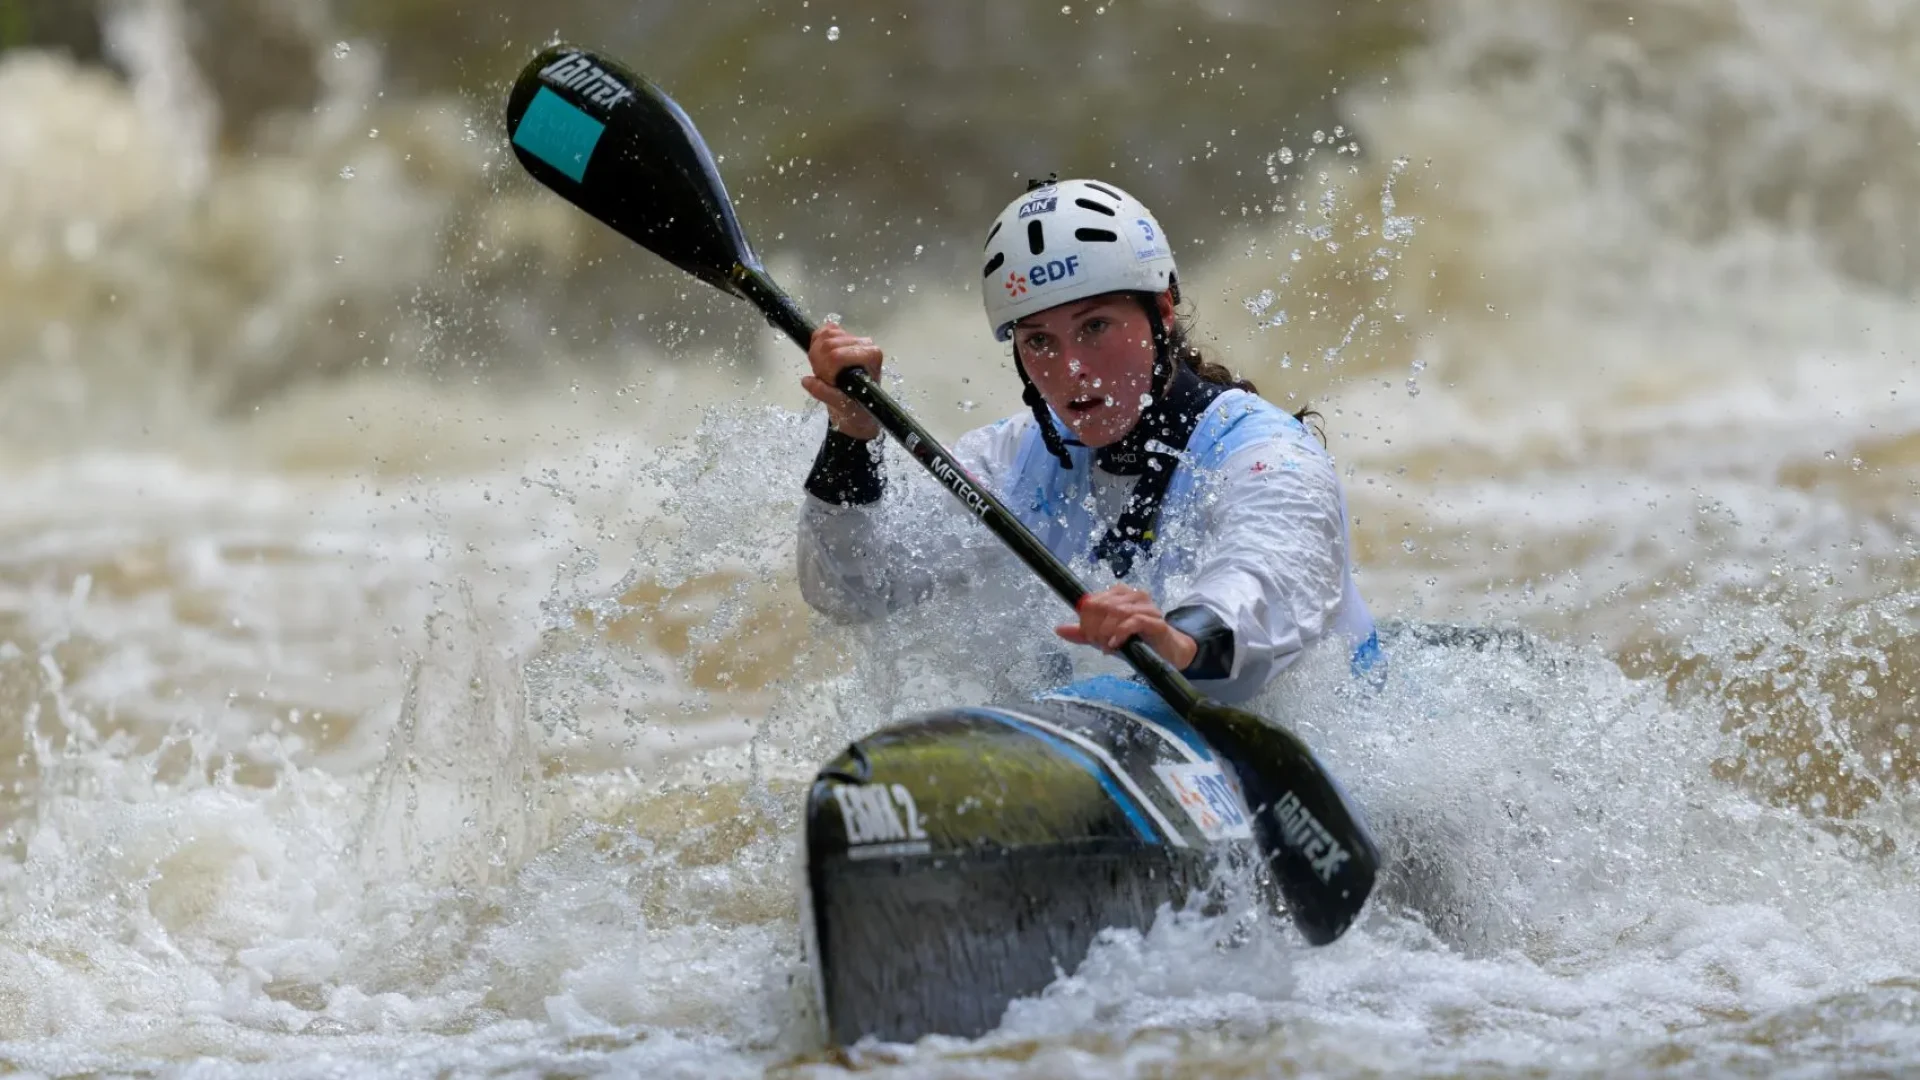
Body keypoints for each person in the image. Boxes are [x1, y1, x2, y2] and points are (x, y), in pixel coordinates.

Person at [795, 178, 1377, 705]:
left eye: (1095, 327)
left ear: (1163, 311)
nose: (1071, 367)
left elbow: (1263, 587)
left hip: (1328, 755)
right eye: (1040, 342)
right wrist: (852, 434)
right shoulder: (1011, 461)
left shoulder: (1267, 454)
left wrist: (1174, 639)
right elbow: (855, 589)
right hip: (1106, 733)